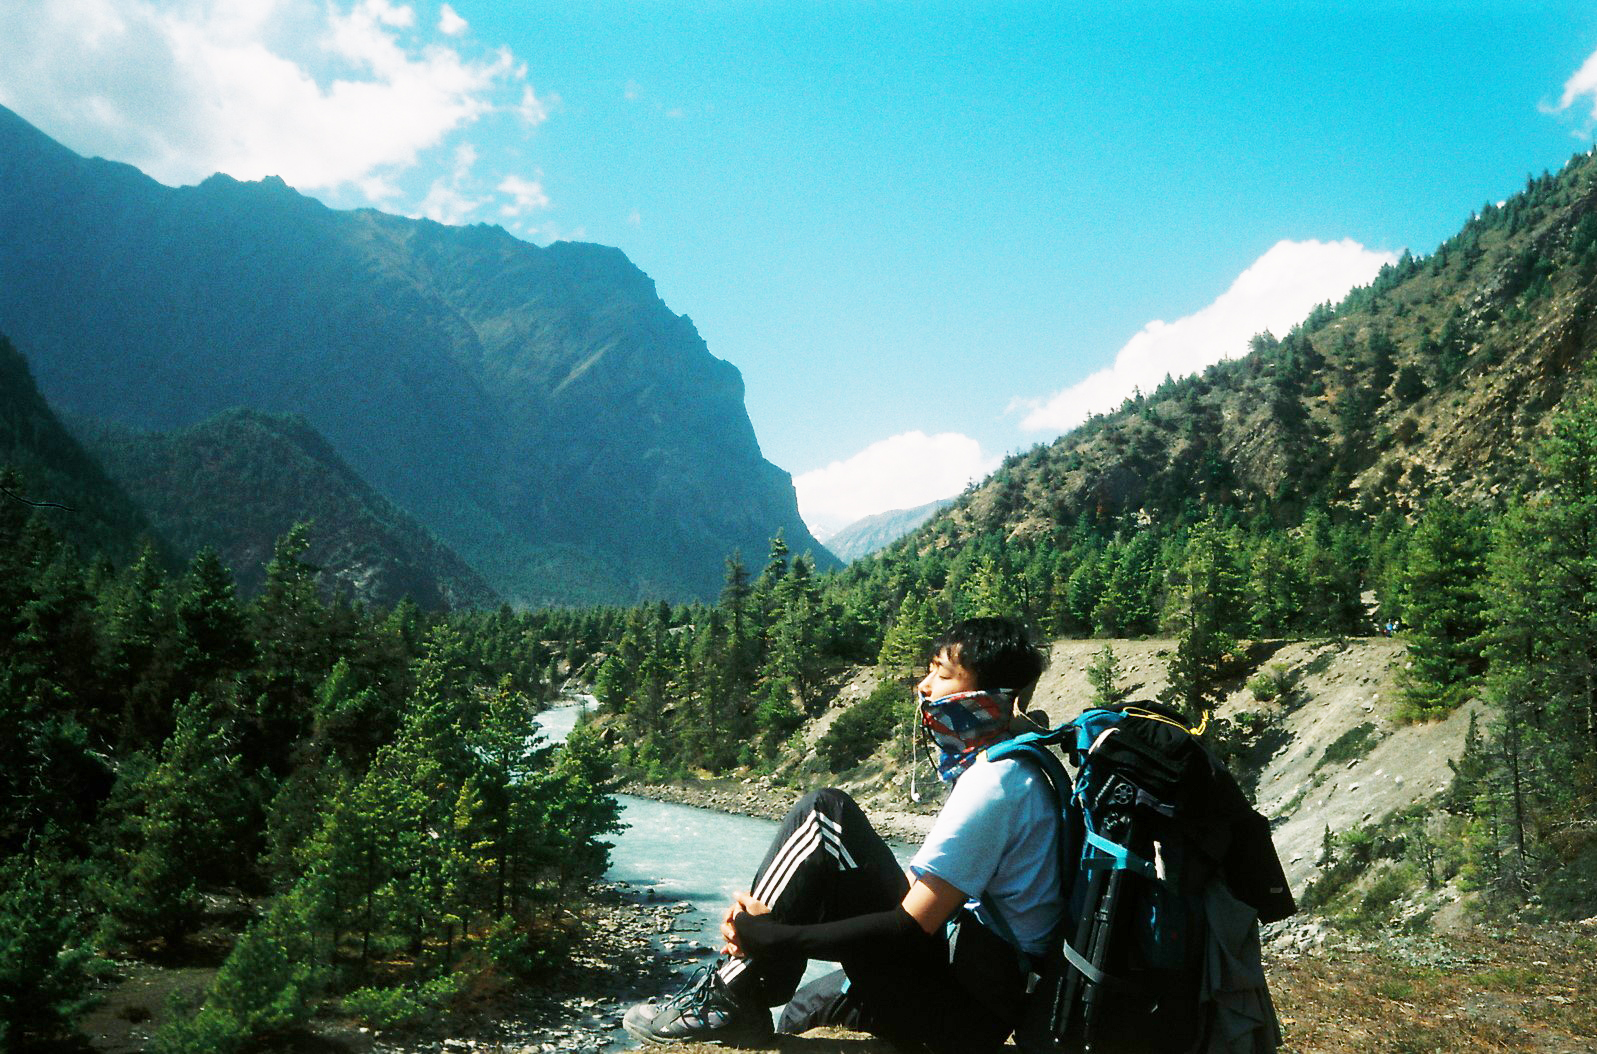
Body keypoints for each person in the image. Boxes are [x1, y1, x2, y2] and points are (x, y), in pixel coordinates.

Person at [622, 616, 1057, 1052]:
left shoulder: (996, 783)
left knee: (825, 816)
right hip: (976, 988)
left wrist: (775, 937)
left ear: (992, 696)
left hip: (963, 1020)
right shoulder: (1023, 765)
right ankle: (747, 987)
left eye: (941, 674)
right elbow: (914, 892)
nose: (923, 687)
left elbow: (909, 927)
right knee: (802, 1011)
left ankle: (729, 995)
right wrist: (772, 924)